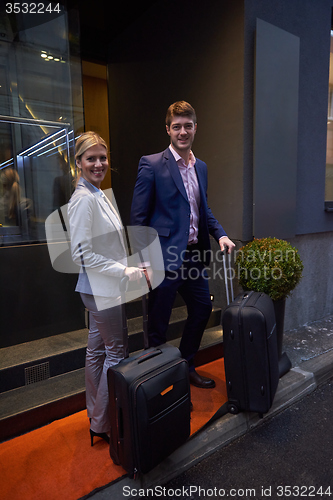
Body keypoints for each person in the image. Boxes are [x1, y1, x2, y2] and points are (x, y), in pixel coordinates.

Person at [130, 101, 235, 390]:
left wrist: (221, 234)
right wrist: (143, 260)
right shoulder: (151, 164)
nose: (183, 131)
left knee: (202, 309)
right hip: (163, 257)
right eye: (176, 126)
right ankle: (158, 383)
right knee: (158, 324)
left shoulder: (200, 166)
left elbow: (202, 209)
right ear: (168, 130)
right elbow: (138, 218)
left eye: (188, 125)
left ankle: (186, 365)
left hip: (193, 256)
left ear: (195, 128)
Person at [68, 131, 142, 445]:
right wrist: (124, 269)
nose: (99, 164)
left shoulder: (98, 192)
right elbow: (81, 254)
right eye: (91, 158)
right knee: (117, 352)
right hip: (101, 287)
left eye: (102, 157)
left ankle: (95, 415)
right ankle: (103, 423)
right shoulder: (83, 199)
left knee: (97, 351)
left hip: (103, 286)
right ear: (79, 163)